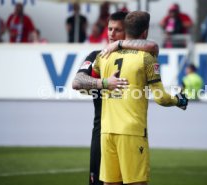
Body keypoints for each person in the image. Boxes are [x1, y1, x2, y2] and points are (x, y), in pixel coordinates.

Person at [92, 11, 188, 185]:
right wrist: (178, 100)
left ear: (125, 29)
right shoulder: (147, 58)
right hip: (132, 131)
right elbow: (161, 98)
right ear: (145, 32)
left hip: (106, 131)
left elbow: (91, 79)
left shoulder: (103, 56)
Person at [72, 11, 160, 185]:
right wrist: (105, 83)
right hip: (102, 133)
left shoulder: (140, 56)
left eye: (117, 30)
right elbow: (77, 81)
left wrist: (119, 45)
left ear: (127, 32)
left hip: (126, 132)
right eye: (109, 29)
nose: (111, 34)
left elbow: (153, 46)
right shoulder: (99, 55)